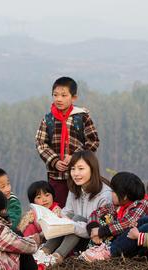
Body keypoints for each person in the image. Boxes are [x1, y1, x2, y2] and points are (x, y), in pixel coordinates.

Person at [35, 150, 112, 266]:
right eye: (72, 169)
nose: (76, 173)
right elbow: (67, 212)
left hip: (94, 240)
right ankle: (44, 252)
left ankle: (57, 257)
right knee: (70, 217)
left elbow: (98, 230)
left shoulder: (105, 195)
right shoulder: (75, 189)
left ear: (92, 169)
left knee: (76, 219)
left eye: (81, 169)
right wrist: (56, 218)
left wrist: (71, 225)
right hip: (75, 236)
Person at [35, 76, 100, 207]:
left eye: (64, 95)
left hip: (81, 175)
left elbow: (93, 141)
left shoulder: (82, 117)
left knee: (83, 206)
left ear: (73, 97)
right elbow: (41, 143)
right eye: (55, 95)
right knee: (60, 207)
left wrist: (75, 158)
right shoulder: (48, 119)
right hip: (57, 175)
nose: (59, 99)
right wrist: (55, 161)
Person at [79, 172, 148, 261]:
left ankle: (106, 252)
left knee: (120, 225)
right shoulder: (117, 205)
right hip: (114, 242)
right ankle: (93, 251)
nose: (111, 194)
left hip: (133, 247)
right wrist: (94, 229)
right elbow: (96, 213)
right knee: (87, 219)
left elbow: (127, 222)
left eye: (114, 191)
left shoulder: (142, 204)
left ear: (125, 196)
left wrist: (100, 231)